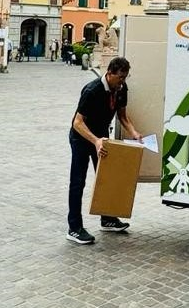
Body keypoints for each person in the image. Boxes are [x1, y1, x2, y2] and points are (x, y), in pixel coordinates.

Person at [67, 57, 142, 244]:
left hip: (101, 137)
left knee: (107, 178)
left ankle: (107, 219)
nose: (123, 82)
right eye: (120, 78)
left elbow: (122, 116)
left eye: (125, 77)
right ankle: (74, 228)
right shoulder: (92, 90)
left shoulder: (121, 89)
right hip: (82, 137)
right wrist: (95, 141)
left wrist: (134, 132)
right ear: (109, 74)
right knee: (78, 182)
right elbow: (77, 123)